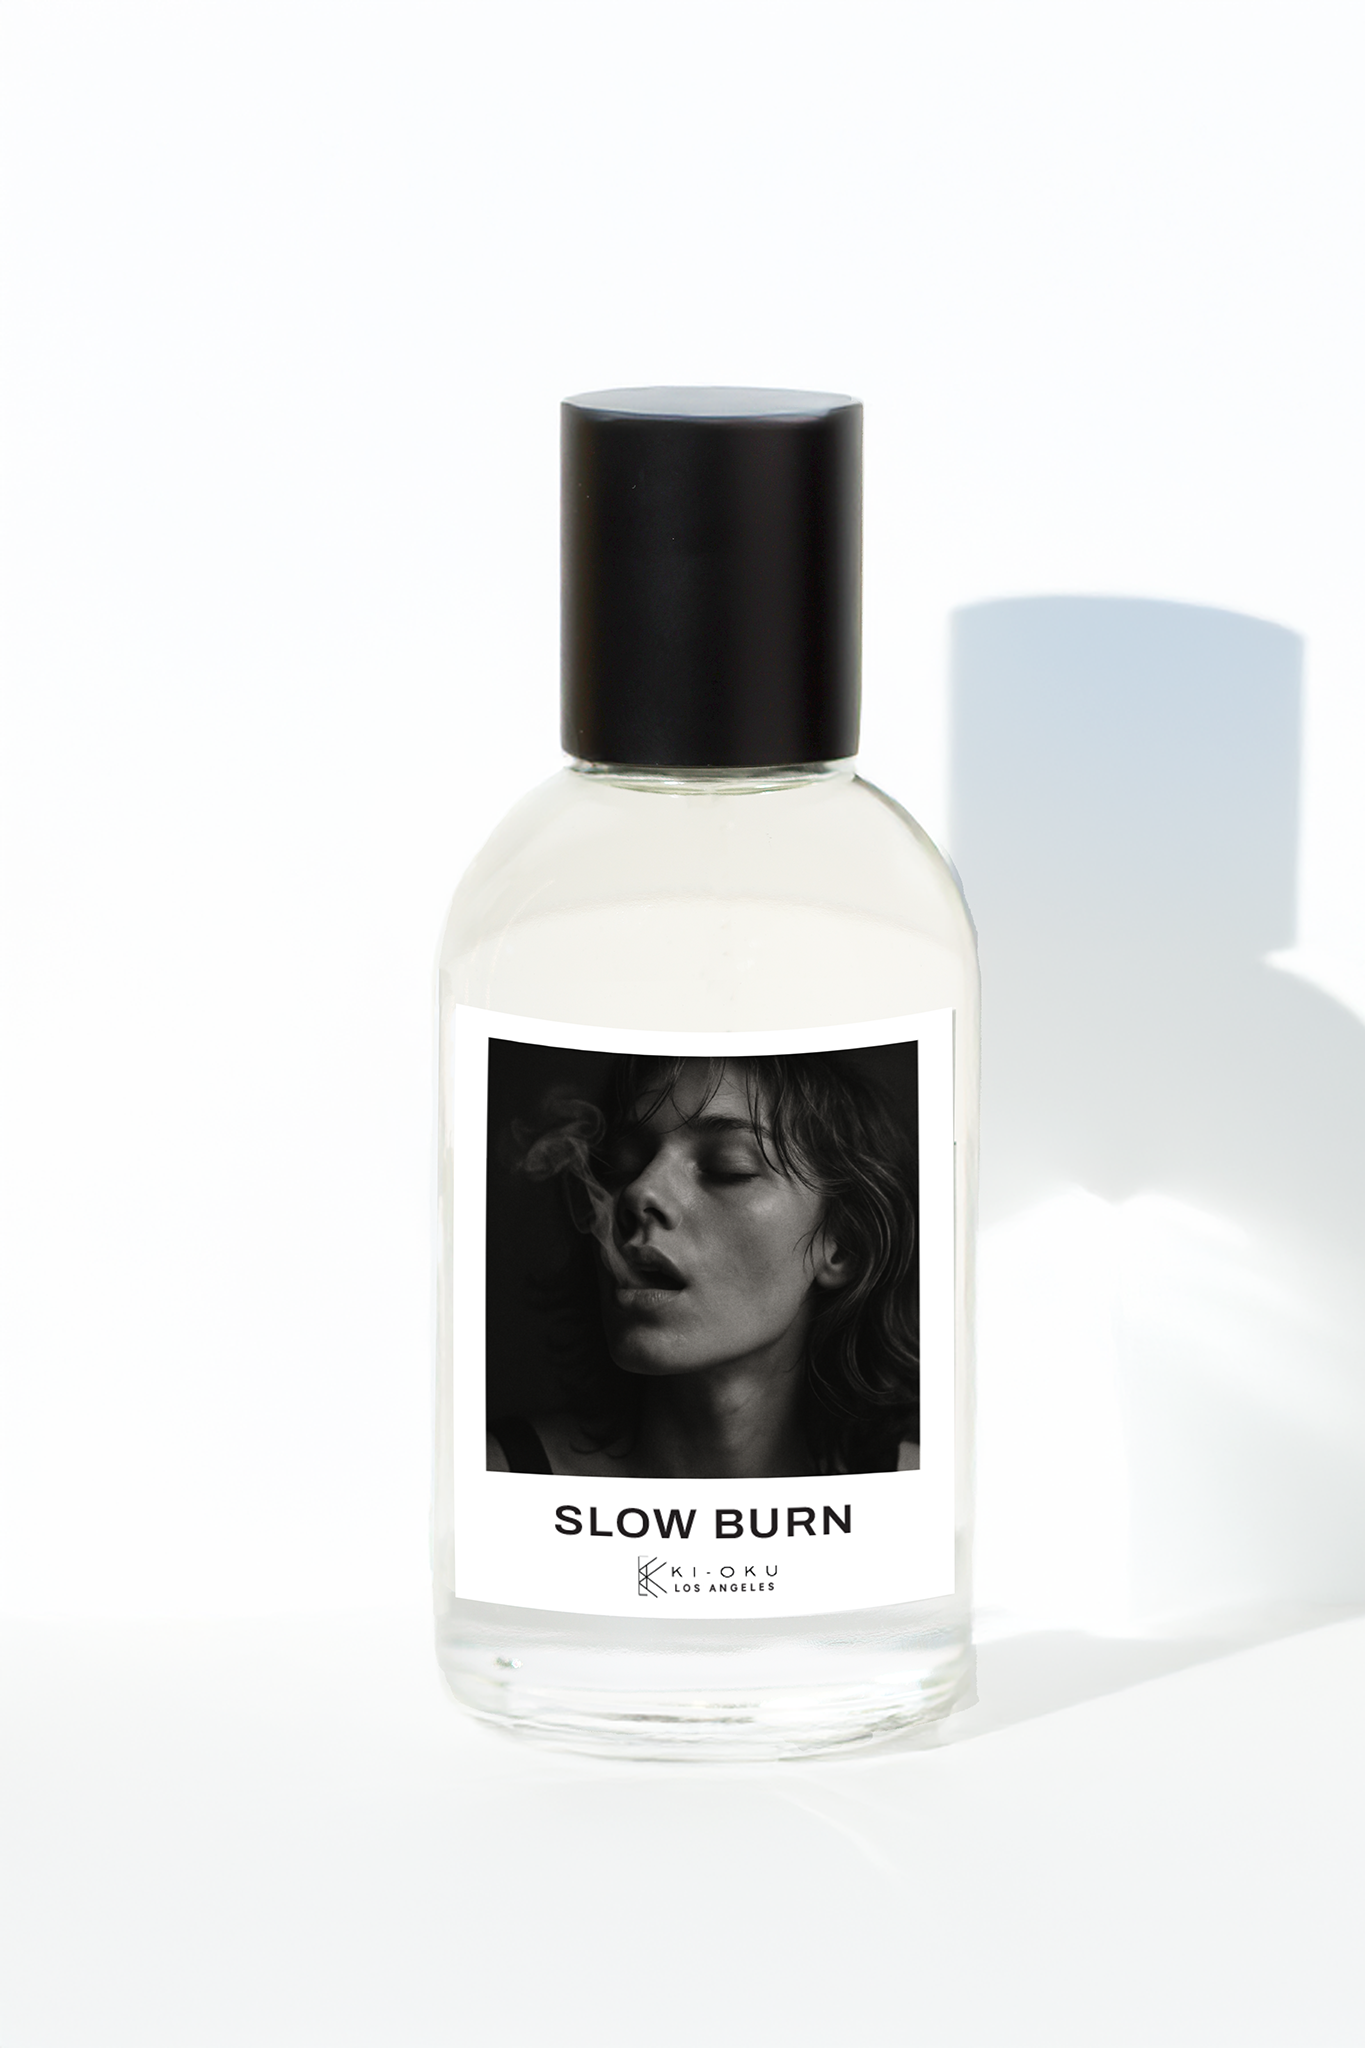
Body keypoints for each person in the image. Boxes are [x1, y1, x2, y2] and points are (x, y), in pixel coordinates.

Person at [486, 1052, 919, 1479]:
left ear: (844, 1246)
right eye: (625, 1163)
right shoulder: (493, 1479)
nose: (639, 1191)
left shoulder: (923, 1490)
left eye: (727, 1168)